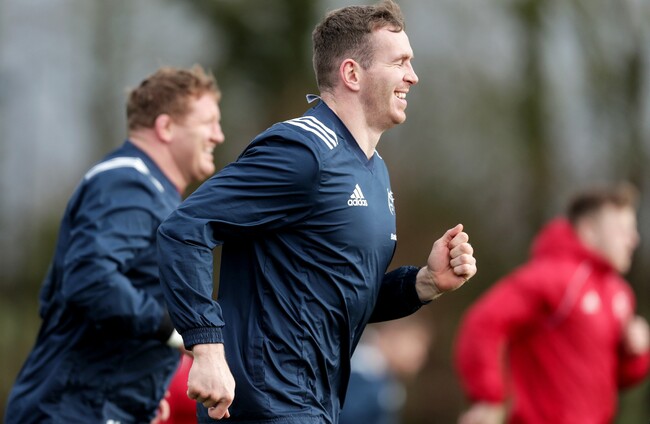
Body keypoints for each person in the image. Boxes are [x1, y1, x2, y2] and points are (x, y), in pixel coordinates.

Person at [157, 1, 477, 423]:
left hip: (315, 408)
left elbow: (338, 299)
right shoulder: (302, 151)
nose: (412, 76)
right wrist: (208, 347)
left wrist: (423, 283)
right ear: (352, 74)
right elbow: (184, 229)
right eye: (399, 62)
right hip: (266, 407)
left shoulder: (375, 171)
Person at [4, 65, 225, 424]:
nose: (219, 135)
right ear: (166, 127)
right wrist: (176, 331)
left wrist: (143, 395)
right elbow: (90, 279)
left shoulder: (149, 190)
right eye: (209, 122)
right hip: (74, 409)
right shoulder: (128, 183)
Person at [454, 182, 650, 424]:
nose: (634, 239)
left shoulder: (619, 292)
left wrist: (636, 355)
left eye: (633, 229)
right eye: (622, 230)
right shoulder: (552, 278)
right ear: (589, 230)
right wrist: (488, 396)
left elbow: (613, 378)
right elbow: (483, 323)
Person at [339, 316, 433, 424]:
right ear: (394, 334)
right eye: (418, 341)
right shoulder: (358, 368)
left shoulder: (387, 382)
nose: (422, 353)